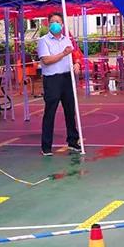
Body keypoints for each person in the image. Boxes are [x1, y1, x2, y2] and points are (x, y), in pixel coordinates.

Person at [37, 12, 82, 156]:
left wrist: (77, 63)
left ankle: (73, 141)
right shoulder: (43, 41)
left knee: (70, 111)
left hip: (66, 78)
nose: (55, 24)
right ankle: (46, 146)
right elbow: (46, 60)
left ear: (62, 25)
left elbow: (75, 54)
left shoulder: (66, 39)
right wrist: (63, 54)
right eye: (52, 22)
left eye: (57, 21)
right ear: (48, 24)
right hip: (52, 80)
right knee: (50, 112)